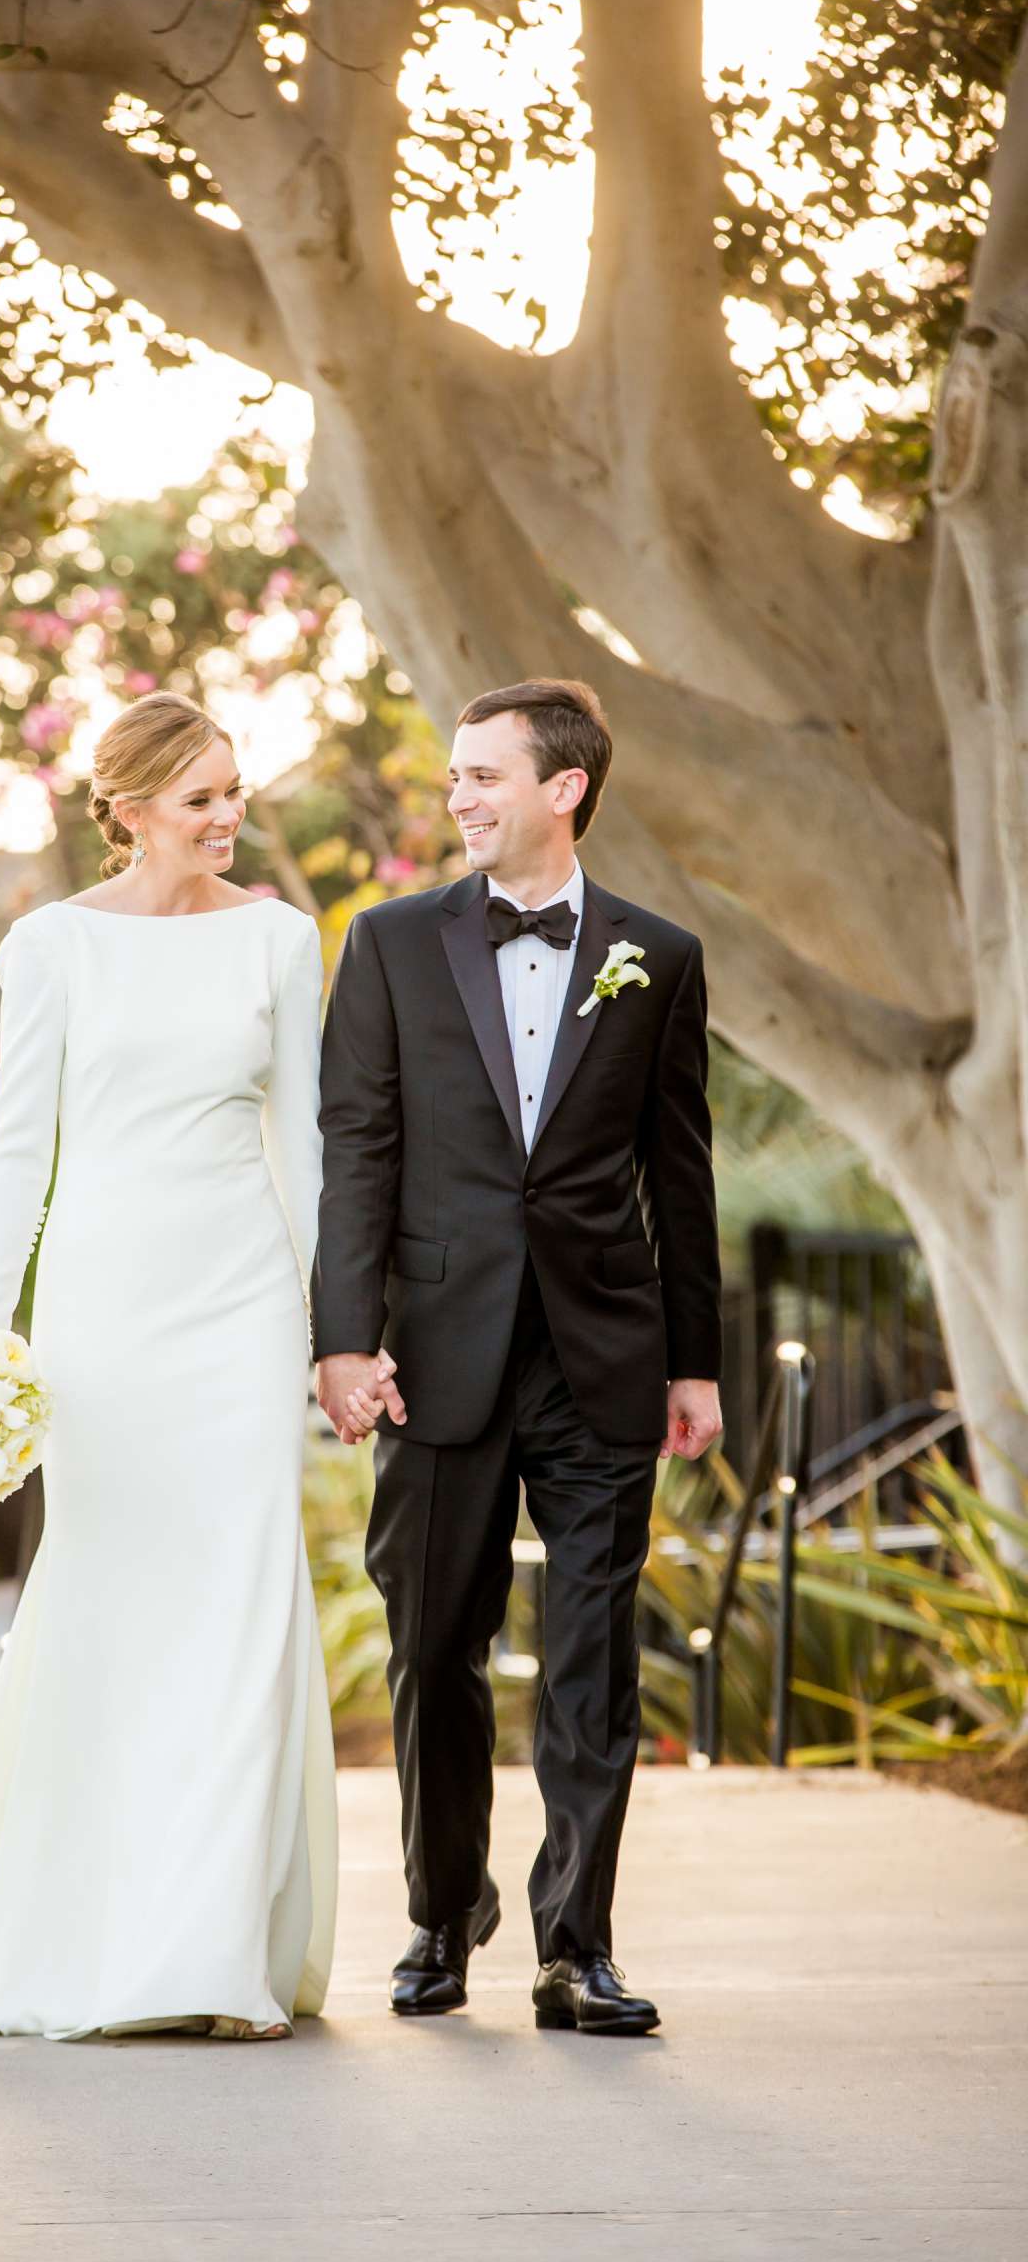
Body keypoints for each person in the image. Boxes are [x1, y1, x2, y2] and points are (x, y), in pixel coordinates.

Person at [0, 692, 337, 2042]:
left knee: (241, 1598)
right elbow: (21, 1146)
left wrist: (326, 1328)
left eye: (235, 791)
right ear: (126, 812)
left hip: (240, 1305)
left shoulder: (285, 941)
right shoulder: (51, 942)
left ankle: (218, 1949)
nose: (228, 818)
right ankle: (91, 1925)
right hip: (105, 1310)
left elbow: (305, 1146)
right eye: (200, 800)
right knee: (114, 1598)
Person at [312, 677, 722, 2036]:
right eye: (453, 778)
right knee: (434, 1648)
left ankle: (576, 1948)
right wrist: (342, 1341)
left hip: (605, 1356)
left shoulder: (657, 956)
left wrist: (695, 1364)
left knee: (593, 1656)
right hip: (437, 1357)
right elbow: (359, 1154)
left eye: (486, 775)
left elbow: (682, 1174)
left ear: (566, 789)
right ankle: (443, 1912)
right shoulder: (387, 946)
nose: (460, 798)